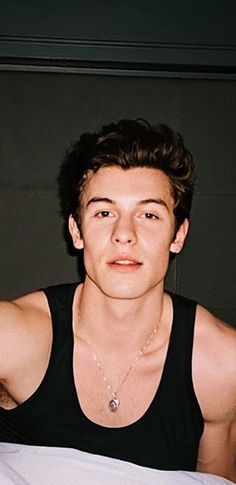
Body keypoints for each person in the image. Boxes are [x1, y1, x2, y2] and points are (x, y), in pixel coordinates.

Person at [0, 119, 235, 481]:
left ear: (178, 235)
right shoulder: (13, 337)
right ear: (77, 231)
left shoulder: (219, 363)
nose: (124, 234)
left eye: (149, 214)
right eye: (104, 212)